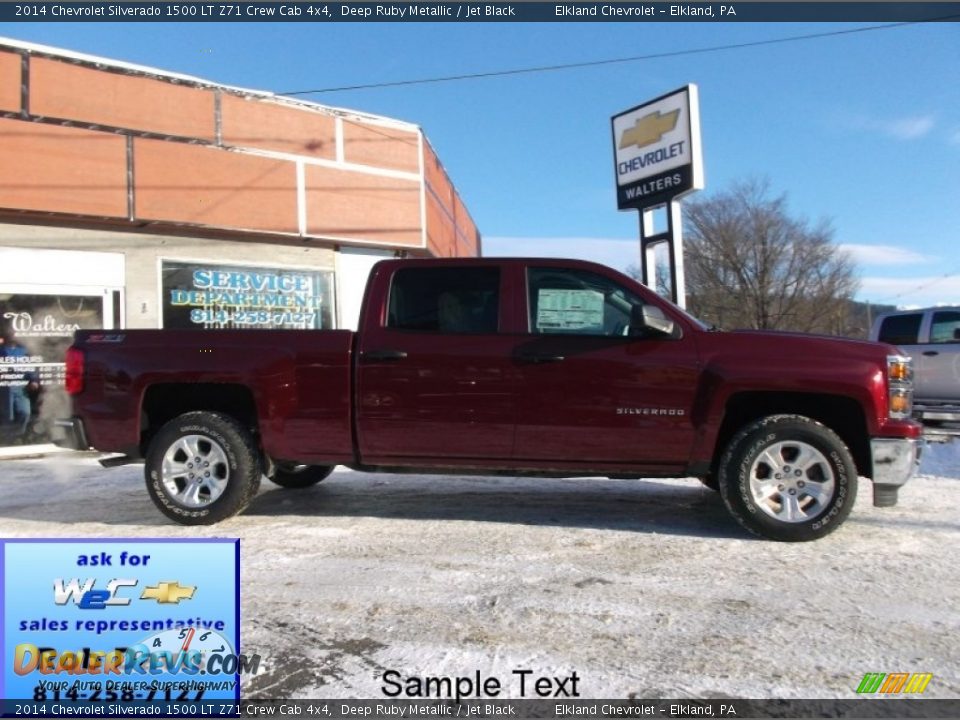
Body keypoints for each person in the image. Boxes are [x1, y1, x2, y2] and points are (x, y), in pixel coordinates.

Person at [0, 326, 39, 443]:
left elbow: (30, 366)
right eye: (10, 334)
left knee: (25, 412)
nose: (13, 336)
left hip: (21, 386)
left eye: (15, 334)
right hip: (5, 386)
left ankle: (17, 435)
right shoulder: (1, 350)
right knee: (8, 416)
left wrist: (33, 380)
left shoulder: (23, 350)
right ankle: (7, 439)